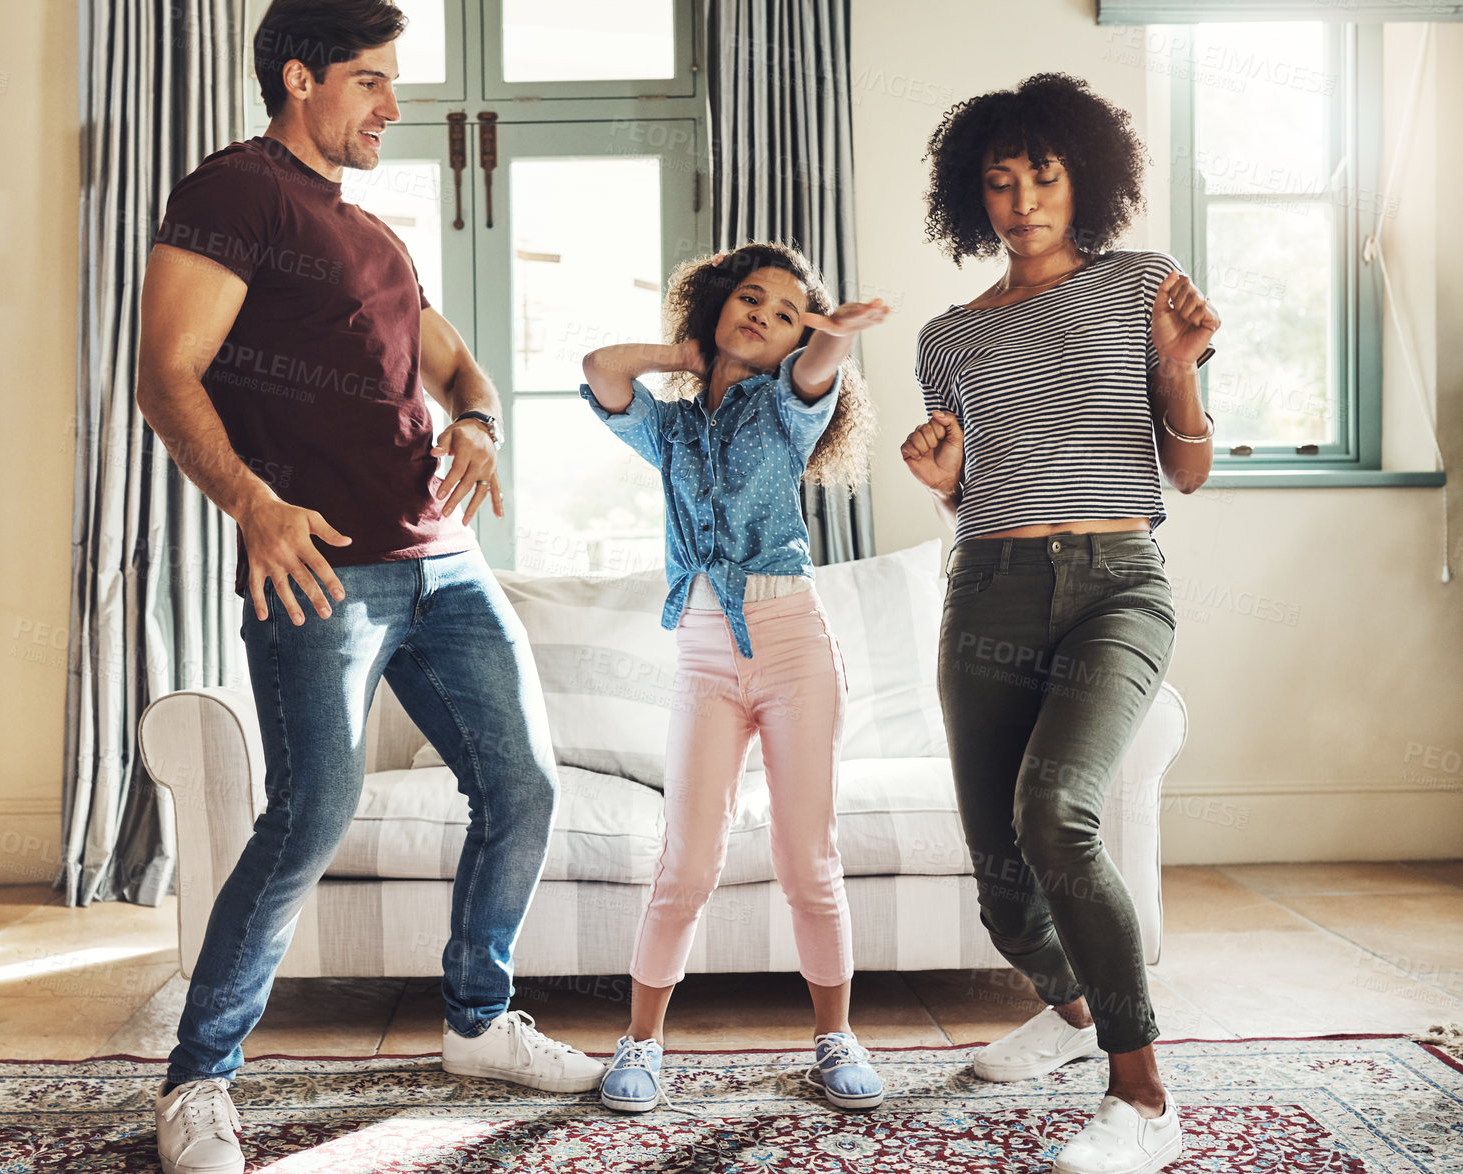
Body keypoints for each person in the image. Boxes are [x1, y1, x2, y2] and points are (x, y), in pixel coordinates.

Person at [135, 3, 601, 1171]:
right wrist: (252, 502)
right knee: (307, 816)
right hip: (323, 571)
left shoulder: (371, 236)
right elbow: (165, 374)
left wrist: (482, 420)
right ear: (299, 78)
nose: (396, 105)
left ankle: (479, 1020)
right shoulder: (233, 191)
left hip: (444, 560)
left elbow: (454, 364)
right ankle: (200, 1079)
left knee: (524, 786)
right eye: (373, 81)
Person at [902, 73, 1220, 1174]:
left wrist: (1177, 374)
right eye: (999, 181)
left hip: (1116, 582)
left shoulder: (1144, 284)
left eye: (1042, 173)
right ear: (972, 197)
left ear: (1083, 175)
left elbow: (1186, 469)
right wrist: (941, 479)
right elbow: (974, 489)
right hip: (986, 589)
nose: (1023, 198)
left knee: (1056, 811)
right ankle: (1073, 1008)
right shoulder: (947, 339)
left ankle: (1141, 1097)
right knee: (1002, 887)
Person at [579, 242, 886, 1114]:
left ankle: (835, 1037)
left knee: (806, 861)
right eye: (750, 297)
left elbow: (817, 372)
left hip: (794, 649)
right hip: (706, 657)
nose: (765, 314)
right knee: (686, 861)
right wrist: (682, 358)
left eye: (787, 313)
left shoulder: (786, 411)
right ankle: (640, 1044)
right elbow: (601, 371)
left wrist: (833, 337)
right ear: (716, 303)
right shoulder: (670, 426)